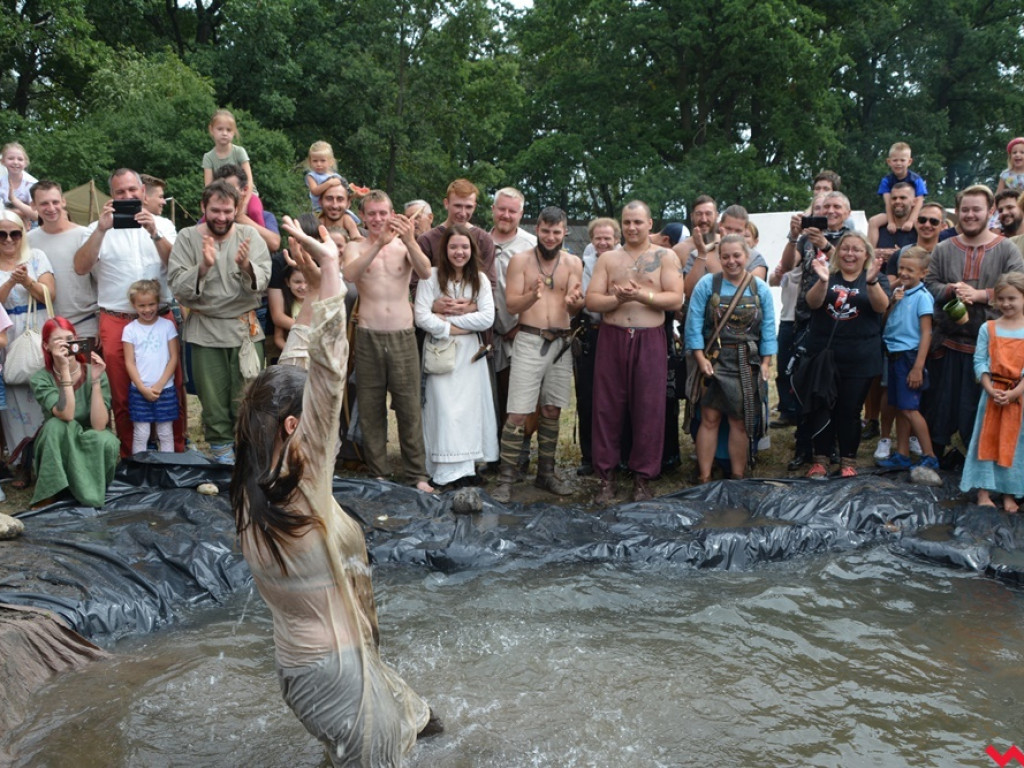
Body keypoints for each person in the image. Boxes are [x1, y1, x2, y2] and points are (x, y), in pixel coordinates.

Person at [232, 216, 435, 768]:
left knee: (417, 725)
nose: (325, 424)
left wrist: (323, 279)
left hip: (306, 668)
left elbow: (293, 368)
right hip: (337, 672)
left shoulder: (253, 476)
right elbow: (324, 377)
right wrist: (331, 277)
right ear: (297, 430)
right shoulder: (302, 488)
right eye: (313, 422)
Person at [74, 168, 185, 457]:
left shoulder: (162, 224)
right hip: (117, 319)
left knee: (171, 386)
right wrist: (101, 229)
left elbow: (177, 265)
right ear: (111, 196)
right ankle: (130, 453)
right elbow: (81, 267)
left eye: (132, 191)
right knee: (123, 391)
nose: (127, 196)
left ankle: (174, 449)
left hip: (159, 316)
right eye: (120, 192)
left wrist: (155, 233)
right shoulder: (97, 227)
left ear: (143, 192)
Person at [585, 200, 684, 503]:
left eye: (638, 222)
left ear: (650, 223)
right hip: (612, 337)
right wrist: (616, 299)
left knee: (649, 407)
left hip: (650, 337)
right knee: (607, 407)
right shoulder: (608, 258)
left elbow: (676, 299)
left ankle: (643, 478)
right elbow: (591, 301)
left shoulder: (664, 256)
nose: (631, 227)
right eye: (627, 222)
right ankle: (606, 476)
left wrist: (642, 294)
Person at [168, 180, 271, 465]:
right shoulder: (188, 238)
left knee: (247, 397)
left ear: (237, 209)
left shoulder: (250, 236)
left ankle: (247, 451)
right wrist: (202, 268)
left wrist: (245, 267)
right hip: (205, 331)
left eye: (228, 211)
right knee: (213, 399)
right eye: (215, 210)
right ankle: (222, 453)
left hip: (244, 331)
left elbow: (263, 277)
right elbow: (177, 284)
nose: (222, 217)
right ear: (203, 208)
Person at [343, 190, 435, 493]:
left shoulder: (405, 246)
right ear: (364, 216)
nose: (378, 219)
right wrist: (376, 246)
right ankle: (379, 472)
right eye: (372, 214)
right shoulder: (356, 246)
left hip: (402, 335)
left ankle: (417, 474)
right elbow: (349, 275)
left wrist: (408, 240)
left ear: (393, 214)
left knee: (409, 406)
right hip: (368, 334)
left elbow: (424, 272)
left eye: (383, 213)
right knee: (371, 407)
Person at [924, 184, 1024, 460]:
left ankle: (982, 461)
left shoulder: (1006, 249)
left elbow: (1020, 287)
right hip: (947, 340)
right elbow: (930, 283)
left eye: (976, 209)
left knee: (979, 408)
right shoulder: (944, 248)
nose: (970, 214)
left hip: (993, 345)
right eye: (964, 210)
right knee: (941, 405)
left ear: (990, 211)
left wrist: (981, 294)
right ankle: (935, 457)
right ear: (957, 213)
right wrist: (950, 291)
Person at [492, 206, 583, 503]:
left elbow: (574, 307)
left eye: (557, 232)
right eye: (545, 231)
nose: (550, 237)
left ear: (565, 232)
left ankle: (546, 473)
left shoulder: (573, 263)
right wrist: (532, 294)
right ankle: (506, 478)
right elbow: (512, 306)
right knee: (517, 412)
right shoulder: (520, 260)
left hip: (560, 342)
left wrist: (574, 304)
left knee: (552, 409)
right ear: (538, 229)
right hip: (530, 339)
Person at [799, 232, 889, 478]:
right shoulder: (827, 275)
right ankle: (820, 460)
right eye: (846, 249)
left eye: (857, 250)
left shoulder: (876, 278)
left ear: (866, 255)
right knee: (821, 406)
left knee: (850, 410)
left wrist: (871, 283)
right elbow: (813, 303)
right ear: (838, 253)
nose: (850, 253)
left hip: (860, 357)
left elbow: (881, 307)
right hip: (824, 356)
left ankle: (848, 460)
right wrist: (823, 282)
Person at [685, 235, 775, 482]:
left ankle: (737, 476)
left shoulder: (760, 288)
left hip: (747, 361)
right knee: (709, 418)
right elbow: (692, 325)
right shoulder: (707, 284)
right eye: (725, 256)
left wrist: (766, 363)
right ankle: (703, 476)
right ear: (719, 257)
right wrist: (699, 357)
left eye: (737, 256)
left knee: (739, 420)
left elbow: (768, 328)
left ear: (747, 256)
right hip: (713, 360)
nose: (731, 261)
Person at [414, 225, 497, 486]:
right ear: (444, 249)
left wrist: (454, 320)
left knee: (468, 410)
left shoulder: (480, 280)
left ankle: (467, 470)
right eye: (453, 247)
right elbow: (421, 315)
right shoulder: (431, 277)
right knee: (445, 409)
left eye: (464, 247)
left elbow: (487, 317)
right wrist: (448, 328)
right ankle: (444, 472)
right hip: (441, 351)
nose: (459, 252)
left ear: (472, 250)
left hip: (470, 355)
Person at [778, 190, 854, 471]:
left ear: (846, 212)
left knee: (833, 387)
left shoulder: (851, 239)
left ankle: (829, 447)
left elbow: (854, 269)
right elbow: (787, 266)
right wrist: (791, 235)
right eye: (826, 207)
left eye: (837, 206)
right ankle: (803, 446)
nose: (830, 211)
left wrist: (827, 245)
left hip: (839, 321)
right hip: (806, 319)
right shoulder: (805, 238)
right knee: (803, 384)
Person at [29, 317, 120, 508]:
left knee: (105, 438)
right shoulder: (40, 378)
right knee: (55, 425)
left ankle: (89, 491)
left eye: (69, 338)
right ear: (46, 346)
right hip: (61, 434)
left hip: (88, 432)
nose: (66, 345)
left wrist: (95, 381)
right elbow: (66, 414)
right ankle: (51, 491)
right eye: (58, 341)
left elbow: (99, 425)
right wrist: (63, 371)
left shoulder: (93, 370)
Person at [960, 272, 1024, 512]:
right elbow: (980, 361)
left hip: (1018, 396)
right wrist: (989, 388)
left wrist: (1015, 392)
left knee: (1014, 444)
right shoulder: (989, 328)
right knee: (986, 441)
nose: (1006, 304)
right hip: (992, 395)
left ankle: (1010, 493)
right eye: (1002, 299)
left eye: (1012, 298)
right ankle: (984, 491)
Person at [876, 248, 939, 471]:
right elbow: (885, 321)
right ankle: (902, 453)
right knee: (901, 407)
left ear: (923, 273)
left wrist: (918, 367)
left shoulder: (922, 297)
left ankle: (929, 455)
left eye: (910, 270)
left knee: (911, 409)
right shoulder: (900, 292)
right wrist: (892, 302)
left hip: (909, 357)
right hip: (892, 354)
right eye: (901, 268)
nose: (903, 273)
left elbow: (926, 333)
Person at [0, 210, 55, 460]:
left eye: (14, 233)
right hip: (7, 330)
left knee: (43, 386)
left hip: (37, 324)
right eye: (1, 234)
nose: (8, 239)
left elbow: (50, 295)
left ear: (22, 234)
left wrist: (27, 282)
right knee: (13, 394)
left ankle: (47, 454)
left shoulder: (36, 257)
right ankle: (21, 459)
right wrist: (10, 282)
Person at [489, 187, 537, 462]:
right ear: (493, 209)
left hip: (520, 332)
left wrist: (523, 325)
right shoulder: (478, 240)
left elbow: (543, 290)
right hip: (485, 336)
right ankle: (494, 455)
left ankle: (519, 457)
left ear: (521, 213)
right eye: (501, 209)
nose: (506, 215)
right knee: (491, 398)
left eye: (512, 210)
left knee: (519, 399)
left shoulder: (531, 244)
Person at [574, 217, 619, 476]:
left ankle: (618, 453)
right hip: (592, 333)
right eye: (598, 238)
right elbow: (585, 299)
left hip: (619, 332)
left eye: (607, 238)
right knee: (588, 396)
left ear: (616, 239)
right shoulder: (585, 264)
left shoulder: (625, 261)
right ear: (591, 240)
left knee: (616, 397)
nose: (603, 243)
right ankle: (590, 456)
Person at [27, 180, 96, 339]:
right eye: (44, 203)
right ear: (33, 205)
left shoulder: (84, 235)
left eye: (55, 202)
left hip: (84, 323)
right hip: (47, 326)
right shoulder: (28, 241)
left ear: (63, 201)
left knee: (89, 365)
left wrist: (99, 320)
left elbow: (101, 279)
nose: (51, 208)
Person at [122, 279, 180, 454]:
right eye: (142, 305)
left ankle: (167, 469)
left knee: (165, 432)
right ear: (134, 305)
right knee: (141, 433)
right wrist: (141, 387)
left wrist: (160, 385)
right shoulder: (130, 330)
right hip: (140, 390)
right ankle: (140, 471)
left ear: (158, 303)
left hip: (165, 389)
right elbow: (129, 361)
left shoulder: (167, 326)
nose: (147, 310)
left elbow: (173, 357)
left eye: (151, 304)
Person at [202, 109, 254, 212]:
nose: (224, 133)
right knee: (203, 221)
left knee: (255, 212)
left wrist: (245, 203)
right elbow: (208, 186)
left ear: (234, 132)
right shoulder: (208, 157)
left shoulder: (239, 152)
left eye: (229, 130)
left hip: (245, 195)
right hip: (221, 198)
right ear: (212, 130)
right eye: (220, 129)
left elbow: (249, 180)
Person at [878, 141, 927, 234]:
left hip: (914, 213)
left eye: (902, 160)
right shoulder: (886, 180)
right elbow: (888, 203)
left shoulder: (917, 180)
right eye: (895, 160)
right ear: (889, 162)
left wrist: (911, 221)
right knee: (874, 221)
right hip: (894, 213)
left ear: (909, 161)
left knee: (922, 224)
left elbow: (919, 202)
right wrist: (891, 222)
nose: (898, 163)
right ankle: (871, 247)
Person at [272, 263, 308, 353]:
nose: (303, 287)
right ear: (288, 282)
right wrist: (291, 352)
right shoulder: (285, 306)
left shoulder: (317, 304)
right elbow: (278, 338)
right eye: (297, 282)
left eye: (307, 282)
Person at [0, 142, 37, 227]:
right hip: (4, 223)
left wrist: (14, 201)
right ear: (2, 161)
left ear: (25, 163)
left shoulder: (32, 184)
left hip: (29, 225)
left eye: (20, 159)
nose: (15, 162)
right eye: (11, 158)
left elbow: (36, 215)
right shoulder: (1, 183)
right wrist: (19, 212)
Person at [304, 141, 345, 213]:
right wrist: (329, 183)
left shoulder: (336, 176)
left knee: (348, 219)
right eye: (315, 161)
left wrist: (355, 194)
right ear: (310, 162)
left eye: (323, 161)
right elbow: (314, 191)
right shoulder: (312, 176)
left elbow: (344, 194)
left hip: (336, 209)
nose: (319, 164)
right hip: (320, 210)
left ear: (331, 162)